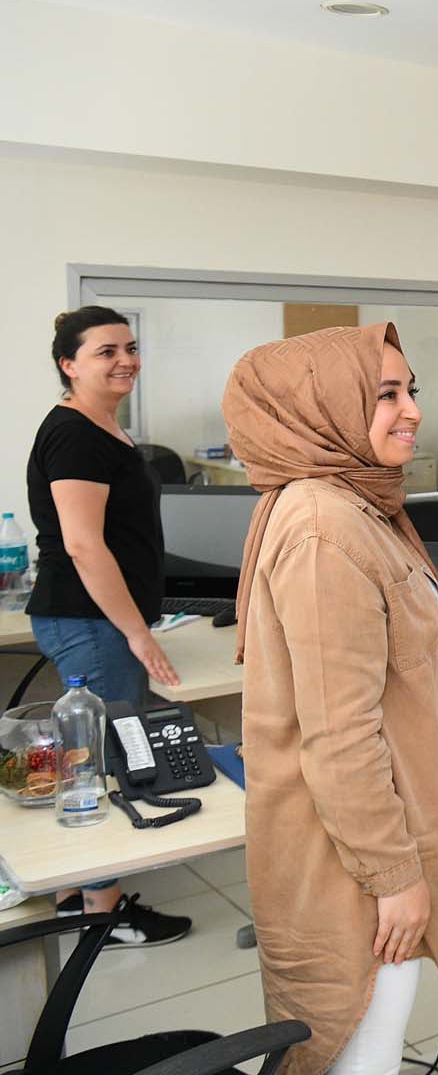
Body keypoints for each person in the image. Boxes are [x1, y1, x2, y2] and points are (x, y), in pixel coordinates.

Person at [223, 324, 438, 1075]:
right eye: (385, 394)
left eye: (410, 391)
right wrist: (394, 879)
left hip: (367, 841)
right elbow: (340, 737)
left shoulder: (353, 504)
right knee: (356, 1052)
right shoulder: (324, 530)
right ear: (322, 408)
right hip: (353, 868)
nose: (413, 411)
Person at [26, 306, 191, 947]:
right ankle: (104, 914)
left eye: (130, 348)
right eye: (106, 352)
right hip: (90, 622)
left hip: (99, 620)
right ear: (68, 364)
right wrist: (137, 634)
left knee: (92, 756)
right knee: (104, 762)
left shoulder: (102, 427)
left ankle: (76, 897)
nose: (126, 360)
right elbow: (83, 545)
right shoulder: (76, 435)